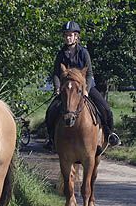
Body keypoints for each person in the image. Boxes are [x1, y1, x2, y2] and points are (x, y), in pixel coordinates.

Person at [44, 21, 121, 149]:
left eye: (70, 35)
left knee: (106, 108)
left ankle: (109, 135)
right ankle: (51, 138)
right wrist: (57, 87)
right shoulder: (61, 54)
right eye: (66, 35)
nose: (68, 38)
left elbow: (89, 74)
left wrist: (86, 90)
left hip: (84, 87)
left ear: (76, 37)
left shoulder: (84, 53)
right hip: (67, 90)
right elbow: (56, 74)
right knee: (51, 111)